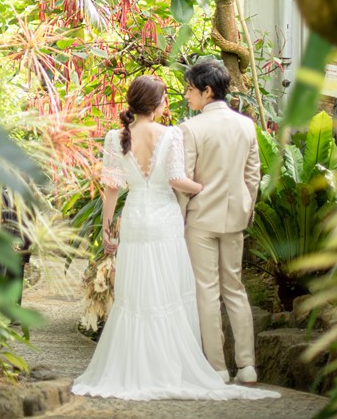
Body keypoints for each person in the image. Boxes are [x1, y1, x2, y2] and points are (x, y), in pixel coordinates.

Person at [72, 75, 279, 401]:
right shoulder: (171, 134)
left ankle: (145, 367)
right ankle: (204, 366)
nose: (171, 102)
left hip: (137, 219)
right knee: (171, 293)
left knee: (136, 295)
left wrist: (108, 228)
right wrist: (203, 189)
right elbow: (176, 179)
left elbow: (110, 188)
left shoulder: (116, 138)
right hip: (165, 220)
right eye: (166, 98)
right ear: (155, 104)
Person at [180, 59, 261, 385]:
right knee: (235, 289)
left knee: (207, 291)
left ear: (207, 90)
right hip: (235, 217)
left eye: (189, 89)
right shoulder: (246, 125)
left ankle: (216, 368)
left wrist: (181, 215)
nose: (187, 96)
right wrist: (246, 206)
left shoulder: (192, 128)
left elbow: (184, 179)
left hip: (201, 218)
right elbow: (252, 175)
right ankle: (248, 366)